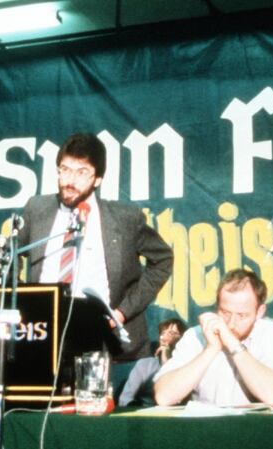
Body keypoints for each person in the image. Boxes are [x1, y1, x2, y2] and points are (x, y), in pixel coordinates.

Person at [19, 132, 173, 362]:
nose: (70, 180)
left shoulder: (125, 218)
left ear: (98, 179)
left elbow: (162, 260)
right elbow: (11, 256)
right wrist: (25, 305)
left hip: (104, 338)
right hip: (45, 335)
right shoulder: (37, 208)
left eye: (82, 172)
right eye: (65, 169)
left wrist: (122, 312)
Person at [153, 269, 273, 406]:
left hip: (253, 427)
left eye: (241, 315)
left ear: (259, 312)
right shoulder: (196, 335)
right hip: (206, 427)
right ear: (217, 307)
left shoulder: (271, 333)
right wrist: (211, 348)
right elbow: (163, 397)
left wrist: (233, 344)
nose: (231, 324)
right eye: (225, 312)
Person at [118, 317, 187, 406]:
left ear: (182, 339)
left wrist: (165, 362)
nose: (164, 337)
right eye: (162, 333)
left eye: (172, 333)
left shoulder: (187, 365)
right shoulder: (144, 365)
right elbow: (124, 399)